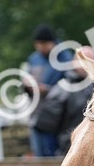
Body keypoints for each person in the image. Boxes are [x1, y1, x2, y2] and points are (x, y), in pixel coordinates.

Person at [33, 46, 94, 157]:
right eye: (81, 61)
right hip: (69, 151)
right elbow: (44, 127)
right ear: (73, 63)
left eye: (90, 61)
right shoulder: (62, 89)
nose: (85, 65)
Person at [26, 25, 73, 158]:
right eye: (37, 44)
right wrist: (27, 85)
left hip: (57, 114)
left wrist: (48, 90)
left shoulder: (65, 58)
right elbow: (27, 77)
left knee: (56, 152)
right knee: (39, 151)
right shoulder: (34, 58)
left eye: (43, 44)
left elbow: (71, 85)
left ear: (51, 42)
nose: (40, 47)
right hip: (37, 111)